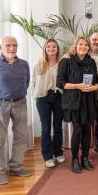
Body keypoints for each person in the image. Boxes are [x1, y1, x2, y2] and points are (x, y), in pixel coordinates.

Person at [0, 36, 32, 185]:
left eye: (15, 45)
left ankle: (16, 166)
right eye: (8, 45)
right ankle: (0, 171)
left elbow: (26, 83)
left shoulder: (24, 64)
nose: (12, 48)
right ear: (0, 47)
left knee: (21, 137)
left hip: (20, 103)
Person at [57, 36, 98, 173]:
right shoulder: (66, 61)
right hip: (75, 101)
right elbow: (60, 83)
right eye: (81, 44)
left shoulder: (91, 62)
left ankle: (85, 158)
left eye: (86, 45)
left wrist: (93, 88)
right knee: (77, 130)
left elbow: (96, 82)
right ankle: (75, 159)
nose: (84, 47)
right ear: (75, 46)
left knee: (87, 131)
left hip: (89, 100)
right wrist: (77, 86)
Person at [32, 38, 65, 168]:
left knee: (58, 127)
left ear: (57, 49)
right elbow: (33, 81)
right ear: (45, 49)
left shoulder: (62, 63)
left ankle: (58, 153)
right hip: (42, 97)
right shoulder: (38, 64)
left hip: (58, 96)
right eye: (49, 47)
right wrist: (36, 94)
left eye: (54, 47)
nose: (51, 49)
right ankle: (47, 156)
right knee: (46, 128)